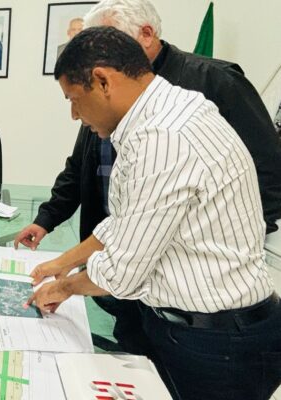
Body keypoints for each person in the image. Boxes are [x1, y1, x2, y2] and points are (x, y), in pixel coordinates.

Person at [28, 26, 281, 400]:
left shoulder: (162, 137)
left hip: (219, 345)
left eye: (74, 99)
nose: (74, 114)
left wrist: (62, 288)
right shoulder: (168, 111)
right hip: (201, 330)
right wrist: (62, 262)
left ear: (103, 81)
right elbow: (125, 222)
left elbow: (121, 273)